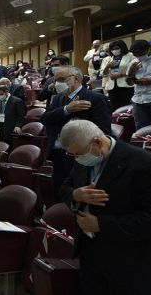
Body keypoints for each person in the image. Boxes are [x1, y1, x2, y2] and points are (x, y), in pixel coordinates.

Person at [58, 119, 151, 295]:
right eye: (73, 155)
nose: (78, 159)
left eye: (79, 154)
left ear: (97, 142)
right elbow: (64, 188)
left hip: (128, 260)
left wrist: (101, 224)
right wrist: (75, 195)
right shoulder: (82, 156)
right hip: (89, 252)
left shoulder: (144, 163)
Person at [41, 66, 111, 200]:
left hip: (82, 155)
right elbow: (45, 118)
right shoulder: (57, 98)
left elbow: (104, 131)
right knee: (59, 193)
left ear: (77, 79)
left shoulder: (95, 98)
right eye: (56, 80)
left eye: (62, 79)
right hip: (58, 153)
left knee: (77, 194)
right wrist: (66, 109)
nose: (57, 83)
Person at [126, 39, 151, 130]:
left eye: (141, 54)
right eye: (136, 55)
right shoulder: (133, 62)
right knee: (141, 129)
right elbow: (128, 82)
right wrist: (131, 73)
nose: (139, 57)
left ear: (149, 48)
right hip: (138, 100)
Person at [100, 40, 136, 111]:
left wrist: (121, 75)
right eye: (112, 49)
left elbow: (136, 70)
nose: (114, 50)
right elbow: (103, 74)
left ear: (122, 47)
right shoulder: (107, 59)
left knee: (126, 108)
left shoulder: (130, 56)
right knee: (114, 109)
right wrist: (107, 66)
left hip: (126, 86)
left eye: (116, 48)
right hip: (112, 87)